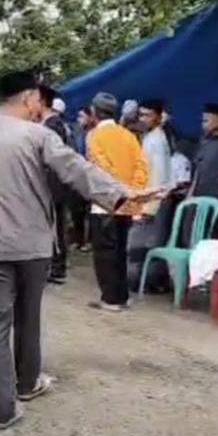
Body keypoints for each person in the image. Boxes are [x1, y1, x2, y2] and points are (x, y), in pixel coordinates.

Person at [0, 71, 158, 430]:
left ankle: (2, 410)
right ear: (27, 98)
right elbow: (76, 170)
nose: (40, 105)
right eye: (38, 98)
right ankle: (27, 383)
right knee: (28, 317)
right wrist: (122, 193)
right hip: (33, 246)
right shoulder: (39, 136)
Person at [86, 92, 149, 313]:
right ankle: (122, 296)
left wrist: (117, 190)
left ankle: (110, 299)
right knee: (121, 250)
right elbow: (142, 166)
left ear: (94, 112)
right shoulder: (129, 136)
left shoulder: (94, 136)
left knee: (105, 253)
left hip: (106, 202)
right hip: (129, 201)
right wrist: (132, 191)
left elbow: (102, 168)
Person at [130, 99, 175, 291]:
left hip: (153, 199)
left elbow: (159, 174)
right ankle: (149, 281)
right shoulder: (150, 137)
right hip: (148, 197)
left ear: (158, 116)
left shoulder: (157, 140)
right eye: (141, 115)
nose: (143, 119)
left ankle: (147, 282)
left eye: (148, 115)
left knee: (145, 242)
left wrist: (150, 204)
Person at [40, 87, 73, 284]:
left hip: (53, 186)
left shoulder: (52, 126)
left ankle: (56, 267)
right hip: (54, 185)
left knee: (54, 226)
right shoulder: (53, 124)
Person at [69, 106, 95, 252]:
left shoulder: (94, 134)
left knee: (90, 210)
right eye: (79, 116)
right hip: (77, 174)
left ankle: (89, 240)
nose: (80, 119)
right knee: (77, 210)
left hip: (90, 175)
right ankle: (78, 240)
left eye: (82, 116)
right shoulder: (76, 133)